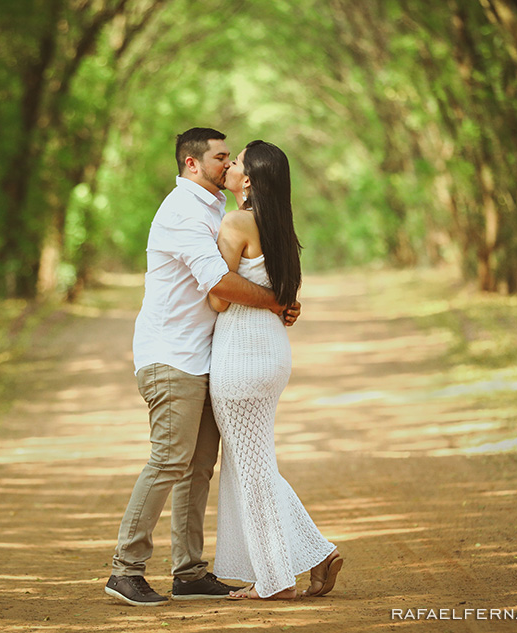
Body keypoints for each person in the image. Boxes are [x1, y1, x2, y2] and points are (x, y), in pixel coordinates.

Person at [105, 128, 301, 607]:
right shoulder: (181, 212)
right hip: (171, 355)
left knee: (198, 468)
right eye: (220, 158)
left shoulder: (216, 207)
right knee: (170, 459)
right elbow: (220, 285)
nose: (228, 165)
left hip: (209, 356)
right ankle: (125, 569)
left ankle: (189, 572)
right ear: (192, 164)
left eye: (231, 158)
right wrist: (278, 302)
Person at [208, 140, 343, 600]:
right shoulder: (281, 228)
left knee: (251, 467)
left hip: (240, 354)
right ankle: (299, 560)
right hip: (271, 353)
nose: (230, 166)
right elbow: (280, 290)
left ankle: (282, 576)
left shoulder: (236, 222)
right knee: (254, 464)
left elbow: (218, 297)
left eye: (238, 161)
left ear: (248, 181)